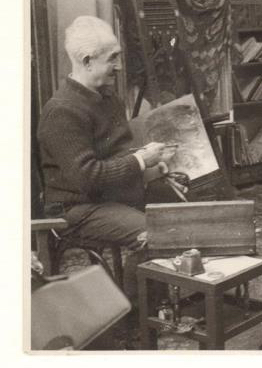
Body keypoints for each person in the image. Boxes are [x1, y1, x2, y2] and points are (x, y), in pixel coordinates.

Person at [37, 16, 177, 297]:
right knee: (156, 233)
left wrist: (151, 169)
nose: (120, 66)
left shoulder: (108, 97)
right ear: (87, 61)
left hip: (107, 196)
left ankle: (160, 303)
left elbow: (116, 155)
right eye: (112, 58)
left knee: (188, 213)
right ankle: (134, 313)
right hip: (76, 209)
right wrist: (141, 161)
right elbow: (88, 176)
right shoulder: (61, 111)